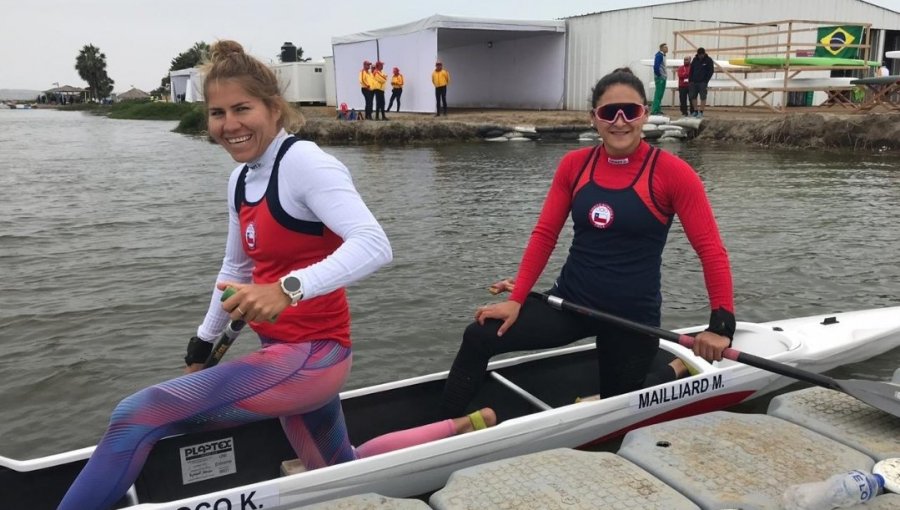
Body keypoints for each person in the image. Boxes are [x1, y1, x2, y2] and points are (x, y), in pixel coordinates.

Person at [57, 39, 496, 510]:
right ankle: (463, 427)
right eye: (217, 113)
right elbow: (236, 267)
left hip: (314, 357)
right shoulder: (242, 177)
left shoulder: (305, 163)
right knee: (340, 465)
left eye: (242, 109)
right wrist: (203, 345)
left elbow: (375, 245)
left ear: (274, 107)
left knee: (137, 415)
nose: (229, 125)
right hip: (279, 353)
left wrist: (289, 289)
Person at [440, 68, 735, 418]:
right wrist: (517, 300)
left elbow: (711, 250)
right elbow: (545, 234)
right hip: (571, 304)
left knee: (620, 405)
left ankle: (673, 369)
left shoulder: (672, 173)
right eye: (609, 113)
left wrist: (720, 327)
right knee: (479, 335)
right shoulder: (574, 165)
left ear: (644, 114)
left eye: (631, 111)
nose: (620, 121)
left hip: (631, 317)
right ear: (594, 118)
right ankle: (446, 427)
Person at [688, 47, 715, 117]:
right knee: (693, 96)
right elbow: (691, 70)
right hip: (693, 82)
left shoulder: (708, 60)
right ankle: (695, 111)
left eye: (701, 55)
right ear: (698, 54)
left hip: (703, 82)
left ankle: (701, 112)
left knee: (703, 97)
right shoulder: (695, 60)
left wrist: (706, 81)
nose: (700, 56)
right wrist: (690, 80)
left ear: (704, 53)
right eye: (699, 55)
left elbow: (711, 71)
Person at [650, 43, 669, 115]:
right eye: (665, 47)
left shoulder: (663, 56)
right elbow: (656, 67)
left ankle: (658, 109)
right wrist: (659, 75)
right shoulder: (659, 55)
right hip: (660, 77)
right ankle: (654, 110)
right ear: (661, 48)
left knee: (660, 94)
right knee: (658, 94)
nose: (667, 49)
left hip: (663, 77)